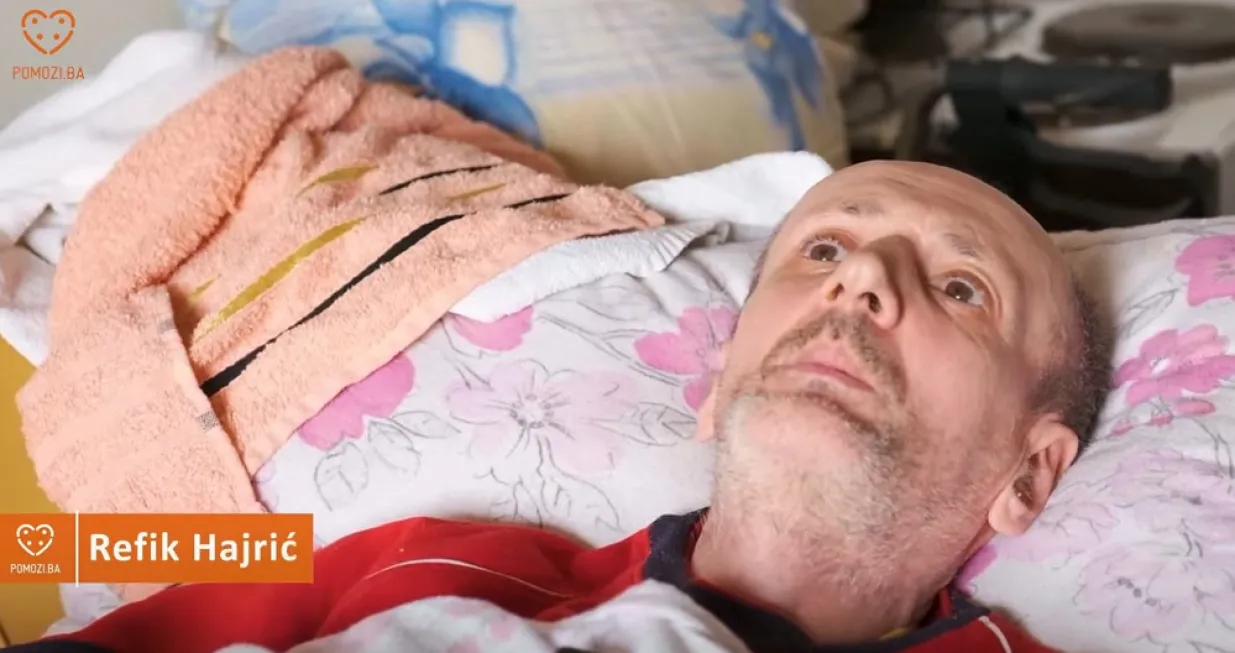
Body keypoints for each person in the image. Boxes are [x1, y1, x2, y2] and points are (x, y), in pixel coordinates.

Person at [15, 161, 1111, 653]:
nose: (860, 278)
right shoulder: (430, 557)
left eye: (959, 287)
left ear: (1029, 473)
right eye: (823, 249)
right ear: (716, 387)